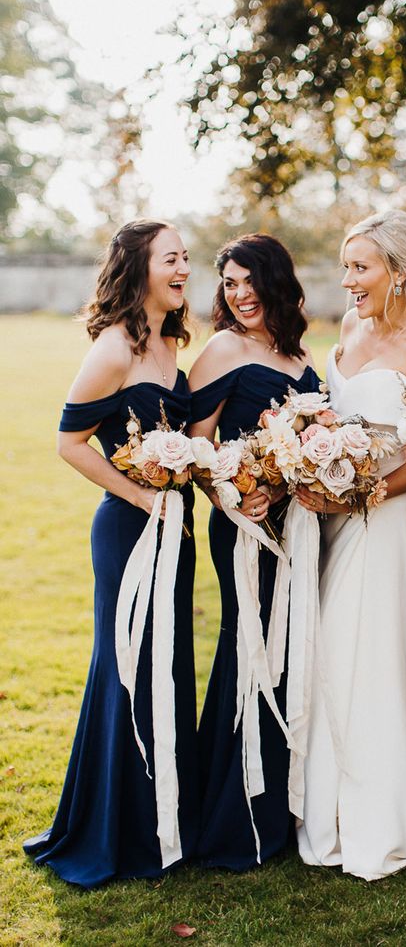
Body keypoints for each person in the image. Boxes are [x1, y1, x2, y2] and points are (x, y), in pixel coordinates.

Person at [24, 219, 199, 887]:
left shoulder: (172, 343)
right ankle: (110, 828)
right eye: (170, 259)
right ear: (138, 268)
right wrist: (139, 496)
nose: (183, 268)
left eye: (187, 258)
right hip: (128, 532)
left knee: (169, 665)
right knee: (125, 666)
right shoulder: (114, 348)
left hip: (173, 531)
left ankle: (163, 821)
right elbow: (69, 444)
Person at [294, 210, 406, 880]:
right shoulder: (350, 327)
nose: (348, 280)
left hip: (389, 522)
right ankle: (328, 811)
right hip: (334, 517)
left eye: (360, 267)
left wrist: (370, 494)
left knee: (380, 658)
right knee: (332, 650)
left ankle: (386, 821)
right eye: (346, 265)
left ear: (398, 273)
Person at [189, 234, 320, 871]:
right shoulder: (222, 350)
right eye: (229, 283)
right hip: (247, 524)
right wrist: (235, 495)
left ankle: (284, 803)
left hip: (304, 524)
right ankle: (235, 810)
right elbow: (197, 444)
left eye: (249, 281)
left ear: (276, 282)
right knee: (252, 651)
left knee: (293, 651)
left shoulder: (295, 351)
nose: (239, 294)